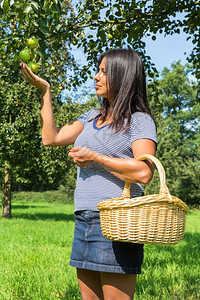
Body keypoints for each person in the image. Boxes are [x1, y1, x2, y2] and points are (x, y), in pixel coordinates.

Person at [22, 48, 157, 300]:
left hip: (116, 223)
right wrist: (45, 92)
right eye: (98, 70)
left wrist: (95, 158)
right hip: (84, 219)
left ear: (123, 76)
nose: (96, 76)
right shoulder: (92, 116)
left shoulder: (139, 120)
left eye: (104, 72)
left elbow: (144, 172)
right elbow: (51, 138)